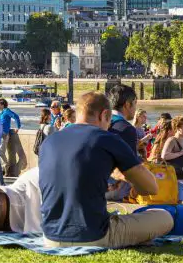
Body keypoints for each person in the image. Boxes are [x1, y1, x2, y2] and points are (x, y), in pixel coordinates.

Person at [39, 91, 173, 248]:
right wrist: (122, 174)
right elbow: (150, 188)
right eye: (108, 121)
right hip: (94, 236)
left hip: (49, 237)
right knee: (165, 217)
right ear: (104, 115)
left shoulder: (49, 141)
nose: (108, 126)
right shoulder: (107, 138)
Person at [162, 116, 183, 202]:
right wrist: (180, 153)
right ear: (178, 128)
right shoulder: (172, 140)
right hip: (176, 181)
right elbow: (164, 155)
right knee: (178, 207)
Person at [106, 84, 138, 155]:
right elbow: (131, 164)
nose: (136, 108)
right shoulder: (127, 129)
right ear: (127, 104)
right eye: (135, 103)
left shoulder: (100, 122)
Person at [0, 98, 25, 176]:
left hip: (4, 134)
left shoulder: (7, 111)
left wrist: (18, 127)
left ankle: (5, 165)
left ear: (2, 104)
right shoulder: (1, 112)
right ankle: (2, 167)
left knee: (1, 153)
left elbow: (16, 117)